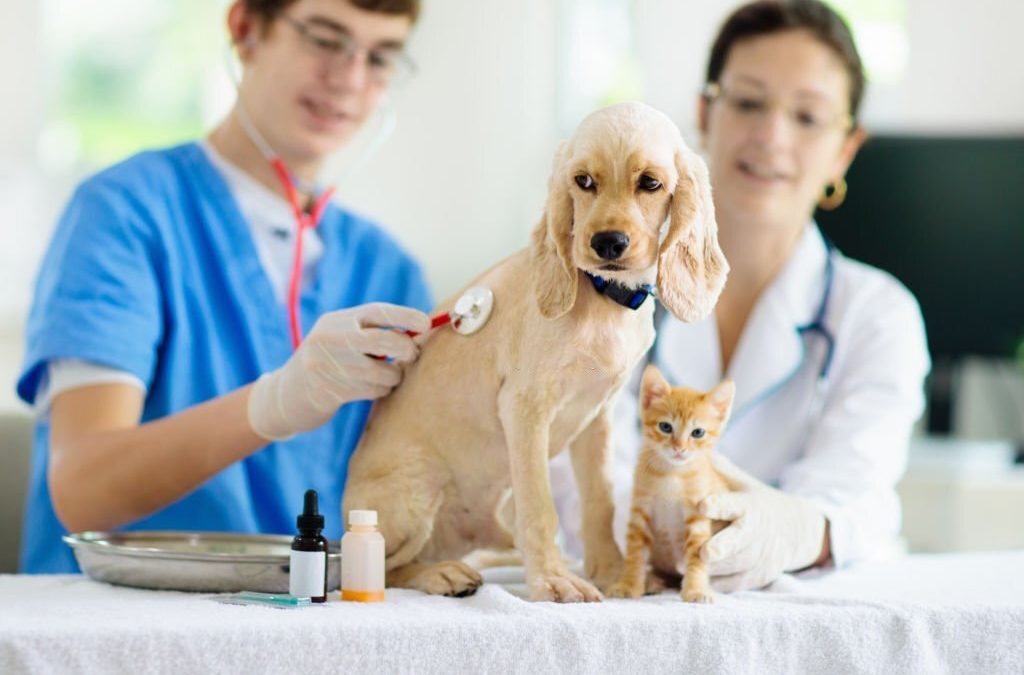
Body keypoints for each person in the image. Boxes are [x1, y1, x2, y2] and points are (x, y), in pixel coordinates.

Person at [16, 0, 432, 573]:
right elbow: (84, 488)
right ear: (245, 30)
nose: (350, 80)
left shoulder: (388, 269)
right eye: (324, 39)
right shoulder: (125, 214)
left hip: (318, 634)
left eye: (381, 57)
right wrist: (275, 401)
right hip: (124, 628)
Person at [554, 0, 930, 592]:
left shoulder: (878, 316)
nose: (771, 136)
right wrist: (665, 531)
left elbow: (854, 495)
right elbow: (576, 469)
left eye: (808, 116)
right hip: (631, 601)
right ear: (705, 114)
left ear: (845, 150)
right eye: (750, 103)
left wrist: (795, 529)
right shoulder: (604, 284)